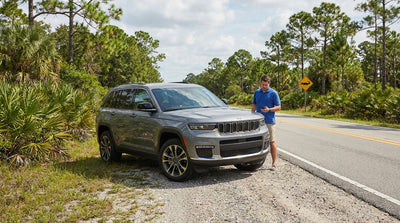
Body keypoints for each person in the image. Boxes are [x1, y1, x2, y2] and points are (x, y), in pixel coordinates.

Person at [251, 75, 281, 170]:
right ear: (261, 83)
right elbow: (254, 106)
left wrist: (269, 109)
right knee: (256, 141)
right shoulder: (257, 92)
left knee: (271, 142)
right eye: (263, 84)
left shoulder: (273, 93)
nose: (264, 86)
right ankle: (254, 161)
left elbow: (278, 107)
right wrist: (252, 117)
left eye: (266, 85)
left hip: (269, 121)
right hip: (258, 122)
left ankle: (274, 163)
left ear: (269, 84)